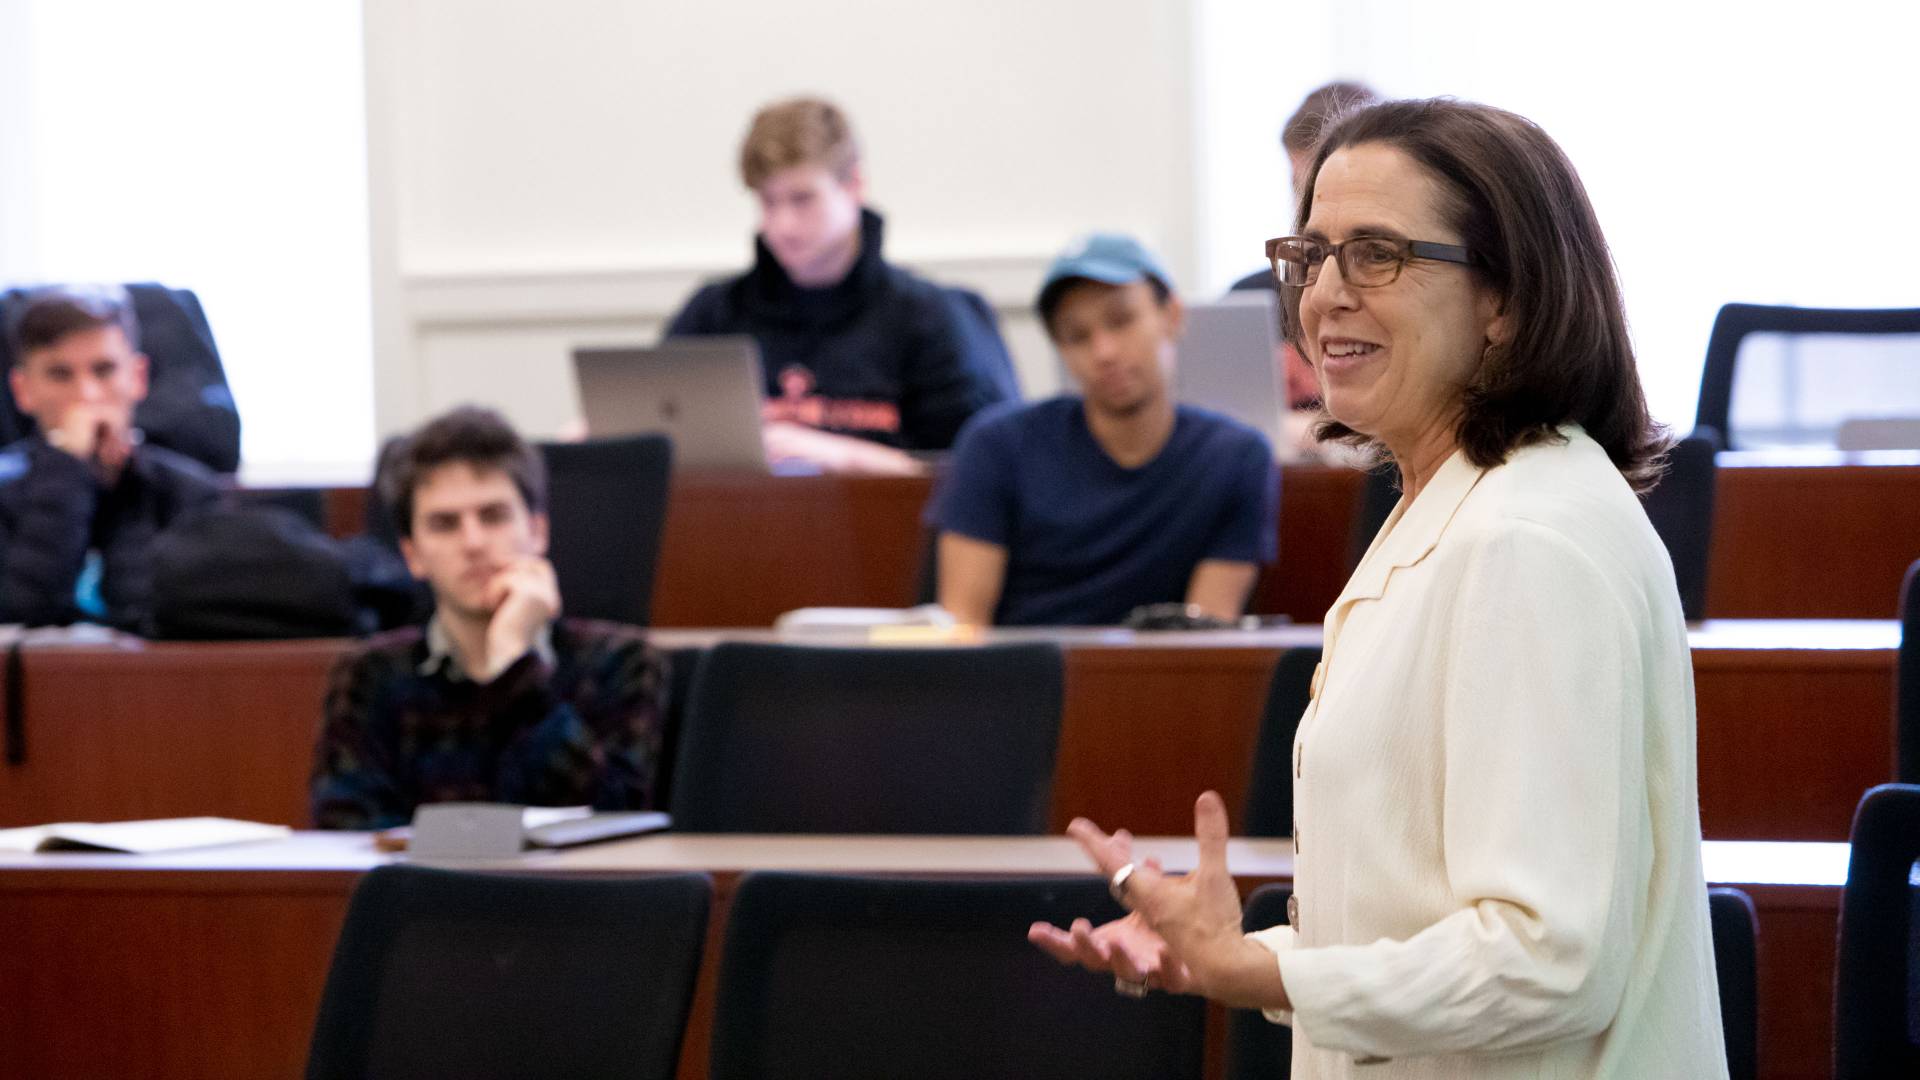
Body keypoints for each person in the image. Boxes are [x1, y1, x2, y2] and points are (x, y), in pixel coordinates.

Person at [1030, 98, 1729, 1078]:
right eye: (1311, 256)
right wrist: (1240, 961)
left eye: (1377, 255)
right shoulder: (1457, 503)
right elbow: (1421, 915)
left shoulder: (1525, 538)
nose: (1322, 296)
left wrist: (1267, 976)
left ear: (1506, 297)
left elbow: (1549, 961)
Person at [310, 406, 665, 831]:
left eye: (493, 516)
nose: (474, 542)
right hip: (425, 898)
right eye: (445, 525)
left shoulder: (624, 661)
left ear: (537, 532)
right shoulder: (368, 675)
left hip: (573, 898)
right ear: (412, 555)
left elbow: (614, 816)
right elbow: (343, 832)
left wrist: (513, 662)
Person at [927, 234, 1277, 627]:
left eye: (1122, 319)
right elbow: (963, 629)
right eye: (1077, 335)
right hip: (1018, 681)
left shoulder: (1235, 458)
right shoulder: (995, 445)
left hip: (1160, 681)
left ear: (1172, 316)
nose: (1104, 352)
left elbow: (1201, 640)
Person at [665, 97, 1017, 474]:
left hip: (887, 529)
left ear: (853, 185)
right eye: (768, 203)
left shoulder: (933, 319)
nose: (782, 226)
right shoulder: (714, 315)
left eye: (803, 199)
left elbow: (988, 479)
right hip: (736, 528)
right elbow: (658, 436)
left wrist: (845, 458)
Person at [0, 287, 222, 629]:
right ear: (23, 390)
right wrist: (67, 473)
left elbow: (154, 622)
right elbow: (20, 614)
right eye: (60, 374)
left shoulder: (188, 492)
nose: (87, 394)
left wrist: (127, 481)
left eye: (103, 370)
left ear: (137, 377)